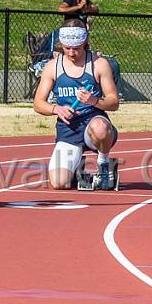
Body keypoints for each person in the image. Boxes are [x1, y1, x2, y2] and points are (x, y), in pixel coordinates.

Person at [32, 20, 120, 190]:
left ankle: (104, 165)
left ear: (85, 43)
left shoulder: (99, 64)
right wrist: (56, 109)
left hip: (93, 124)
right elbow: (38, 103)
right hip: (69, 130)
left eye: (77, 48)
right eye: (67, 48)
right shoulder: (52, 67)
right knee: (59, 183)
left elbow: (113, 102)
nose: (72, 53)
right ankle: (77, 168)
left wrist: (94, 100)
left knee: (100, 127)